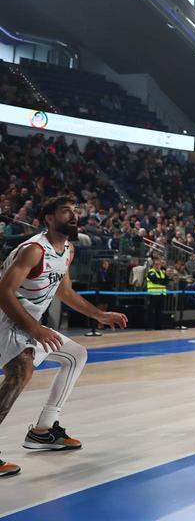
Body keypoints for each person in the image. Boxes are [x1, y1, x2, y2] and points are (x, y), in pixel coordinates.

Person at [0, 196, 127, 476]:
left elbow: (64, 291)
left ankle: (43, 431)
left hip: (24, 321)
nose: (74, 215)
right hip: (6, 317)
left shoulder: (67, 250)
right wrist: (35, 329)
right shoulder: (34, 250)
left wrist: (99, 315)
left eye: (75, 211)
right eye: (66, 211)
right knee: (21, 371)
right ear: (49, 218)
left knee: (76, 354)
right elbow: (4, 292)